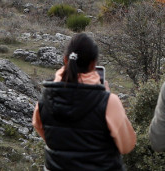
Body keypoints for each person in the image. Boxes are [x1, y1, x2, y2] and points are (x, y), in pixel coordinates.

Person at [33, 32, 137, 170]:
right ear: (94, 64)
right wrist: (107, 95)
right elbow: (126, 146)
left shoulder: (45, 99)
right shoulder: (108, 102)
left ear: (65, 60)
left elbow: (48, 136)